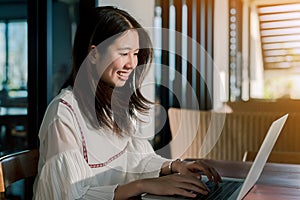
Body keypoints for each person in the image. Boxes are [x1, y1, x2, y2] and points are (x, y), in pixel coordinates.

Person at [33, 6, 222, 200]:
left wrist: (175, 166)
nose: (132, 63)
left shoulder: (113, 105)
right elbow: (71, 195)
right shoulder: (63, 114)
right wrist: (143, 185)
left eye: (135, 53)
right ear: (94, 54)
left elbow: (135, 160)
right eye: (124, 53)